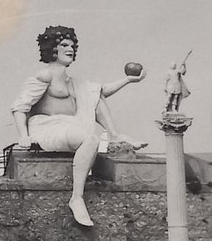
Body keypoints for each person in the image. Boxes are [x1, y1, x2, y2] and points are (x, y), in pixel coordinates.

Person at [11, 25, 146, 227]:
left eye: (72, 45)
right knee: (91, 138)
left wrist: (128, 80)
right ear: (52, 49)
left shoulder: (72, 81)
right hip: (47, 127)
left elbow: (103, 91)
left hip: (70, 125)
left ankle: (115, 135)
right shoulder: (44, 76)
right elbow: (19, 107)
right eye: (64, 45)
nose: (70, 49)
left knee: (94, 95)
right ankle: (77, 197)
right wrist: (23, 135)